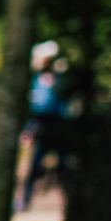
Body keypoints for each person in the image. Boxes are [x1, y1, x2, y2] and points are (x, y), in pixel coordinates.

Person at [17, 43, 64, 210]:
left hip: (60, 128)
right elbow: (36, 109)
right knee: (34, 167)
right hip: (43, 127)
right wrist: (29, 130)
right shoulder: (37, 81)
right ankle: (24, 200)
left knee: (65, 167)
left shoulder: (60, 80)